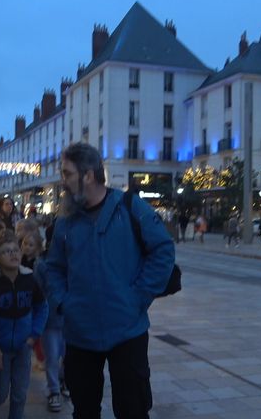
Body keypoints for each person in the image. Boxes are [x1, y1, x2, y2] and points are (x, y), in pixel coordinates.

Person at [46, 143, 175, 418]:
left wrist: (137, 297)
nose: (63, 181)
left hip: (127, 331)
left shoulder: (130, 207)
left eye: (67, 173)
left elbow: (163, 250)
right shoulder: (65, 221)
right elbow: (53, 267)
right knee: (84, 410)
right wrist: (63, 302)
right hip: (80, 332)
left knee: (133, 409)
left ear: (88, 175)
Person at [0, 230, 48, 419]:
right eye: (7, 251)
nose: (13, 254)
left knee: (20, 394)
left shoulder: (29, 280)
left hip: (23, 346)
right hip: (1, 349)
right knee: (0, 392)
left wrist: (34, 335)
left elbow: (42, 306)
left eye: (15, 250)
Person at [34, 227, 68, 413]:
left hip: (71, 318)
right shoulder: (42, 264)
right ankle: (53, 390)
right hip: (50, 318)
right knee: (52, 356)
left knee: (68, 355)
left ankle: (64, 381)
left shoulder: (75, 259)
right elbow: (38, 292)